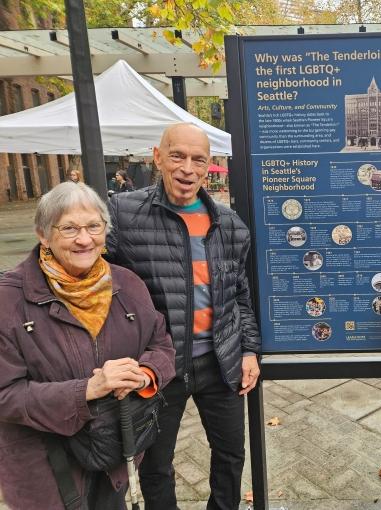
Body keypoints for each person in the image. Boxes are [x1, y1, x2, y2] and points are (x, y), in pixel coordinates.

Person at [106, 123, 262, 510]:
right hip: (158, 366)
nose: (187, 169)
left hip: (220, 361)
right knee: (156, 464)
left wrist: (248, 350)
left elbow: (239, 293)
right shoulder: (123, 214)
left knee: (230, 457)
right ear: (157, 157)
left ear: (209, 166)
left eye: (198, 160)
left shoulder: (229, 224)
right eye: (177, 156)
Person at [0, 182, 175, 509]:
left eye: (94, 226)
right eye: (69, 228)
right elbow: (5, 395)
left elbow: (162, 344)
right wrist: (86, 389)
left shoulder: (127, 283)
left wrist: (145, 374)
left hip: (114, 457)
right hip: (45, 470)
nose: (84, 239)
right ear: (43, 234)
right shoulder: (8, 299)